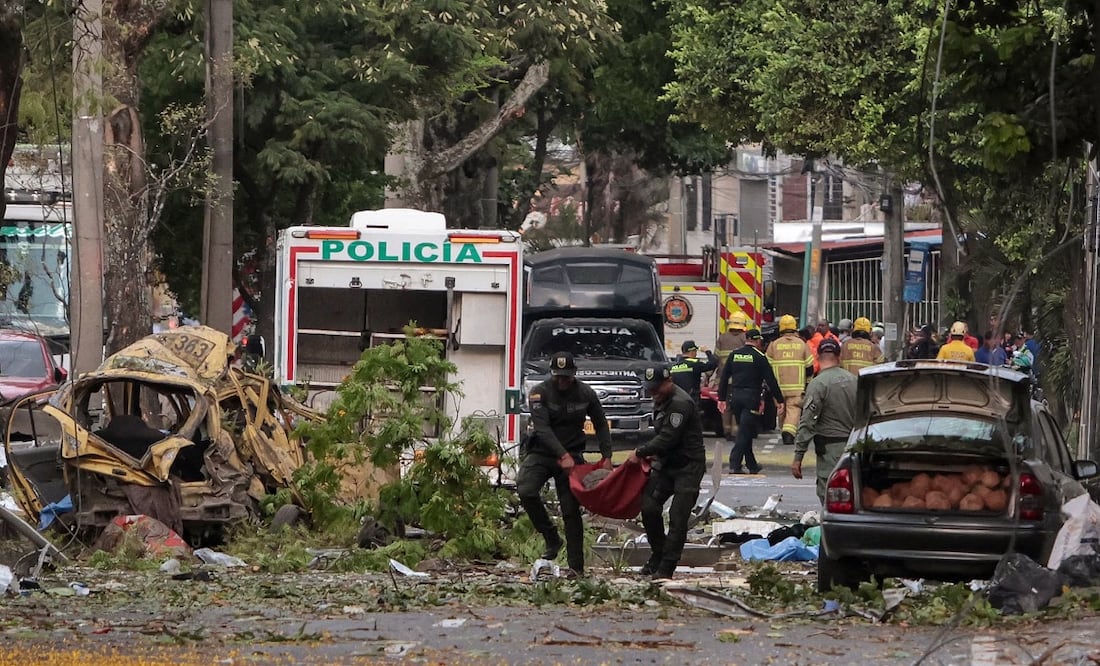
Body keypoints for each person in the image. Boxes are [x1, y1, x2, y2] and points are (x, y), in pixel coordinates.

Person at [517, 351, 611, 577]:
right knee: (526, 490)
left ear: (574, 375)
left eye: (566, 377)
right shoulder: (539, 392)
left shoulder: (585, 393)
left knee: (571, 511)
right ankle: (551, 538)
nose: (562, 381)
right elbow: (543, 429)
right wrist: (561, 454)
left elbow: (600, 423)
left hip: (573, 456)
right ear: (552, 374)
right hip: (542, 453)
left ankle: (576, 567)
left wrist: (606, 456)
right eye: (558, 377)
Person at [629, 365, 706, 580]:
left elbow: (667, 438)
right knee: (649, 507)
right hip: (666, 465)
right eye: (651, 389)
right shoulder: (661, 399)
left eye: (657, 389)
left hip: (688, 466)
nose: (654, 393)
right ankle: (659, 553)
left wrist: (640, 452)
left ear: (669, 381)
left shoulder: (680, 404)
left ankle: (666, 567)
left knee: (677, 517)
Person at [790, 338, 858, 504]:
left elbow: (807, 422)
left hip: (830, 450)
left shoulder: (818, 384)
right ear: (839, 356)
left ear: (817, 357)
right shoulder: (854, 380)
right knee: (853, 489)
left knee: (829, 493)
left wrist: (798, 456)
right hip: (854, 447)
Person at [718, 329, 785, 474]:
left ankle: (752, 464)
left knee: (745, 430)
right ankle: (734, 463)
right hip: (751, 397)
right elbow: (771, 380)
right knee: (744, 432)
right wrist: (779, 399)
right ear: (758, 340)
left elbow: (724, 378)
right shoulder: (760, 356)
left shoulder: (734, 355)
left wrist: (721, 398)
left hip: (735, 396)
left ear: (746, 338)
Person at [765, 314, 814, 447]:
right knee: (793, 409)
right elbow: (810, 367)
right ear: (794, 328)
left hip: (778, 387)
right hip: (797, 388)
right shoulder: (802, 344)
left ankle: (784, 430)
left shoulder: (773, 345)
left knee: (781, 409)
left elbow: (767, 367)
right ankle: (788, 433)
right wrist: (808, 382)